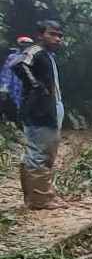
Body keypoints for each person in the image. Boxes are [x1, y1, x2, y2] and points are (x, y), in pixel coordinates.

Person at [14, 21, 65, 209]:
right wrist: (36, 85)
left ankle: (42, 194)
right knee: (38, 153)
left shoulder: (47, 55)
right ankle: (39, 199)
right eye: (52, 34)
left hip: (50, 108)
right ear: (40, 35)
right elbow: (18, 64)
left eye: (59, 35)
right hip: (39, 110)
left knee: (47, 152)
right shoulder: (35, 51)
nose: (57, 38)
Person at [0, 36, 34, 124]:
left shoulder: (34, 57)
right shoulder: (12, 57)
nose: (25, 46)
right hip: (14, 86)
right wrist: (4, 87)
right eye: (23, 43)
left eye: (28, 44)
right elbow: (6, 72)